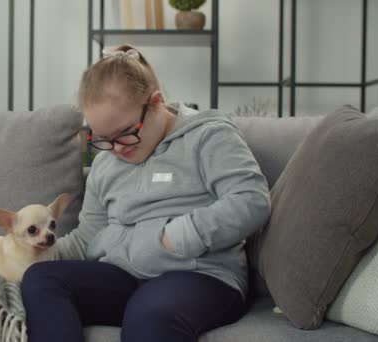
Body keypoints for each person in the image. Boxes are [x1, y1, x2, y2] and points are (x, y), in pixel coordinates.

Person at [20, 45, 272, 342]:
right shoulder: (106, 164)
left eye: (125, 133)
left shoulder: (209, 136)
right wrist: (30, 252)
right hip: (122, 277)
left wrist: (176, 235)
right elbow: (88, 237)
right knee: (41, 278)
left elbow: (251, 199)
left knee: (150, 313)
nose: (117, 148)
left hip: (200, 276)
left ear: (155, 102)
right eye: (104, 139)